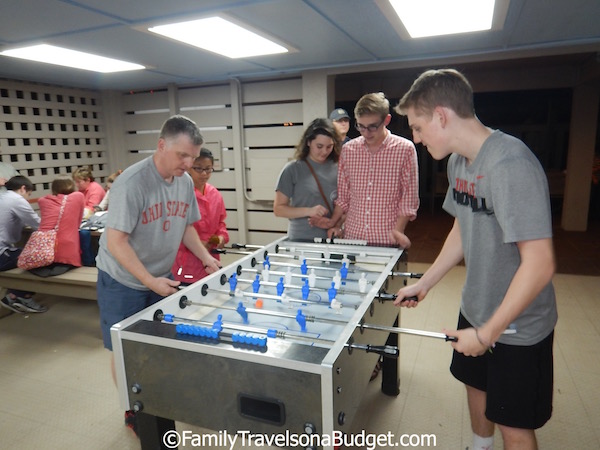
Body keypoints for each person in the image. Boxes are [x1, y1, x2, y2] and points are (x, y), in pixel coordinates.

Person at [393, 69, 557, 450]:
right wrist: (426, 282)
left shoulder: (510, 164)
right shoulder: (457, 163)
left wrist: (487, 334)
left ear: (441, 115)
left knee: (513, 424)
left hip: (517, 323)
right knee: (477, 385)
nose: (416, 138)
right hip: (476, 305)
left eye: (417, 127)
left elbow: (540, 263)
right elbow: (462, 230)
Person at [95, 114, 221, 434]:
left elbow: (186, 226)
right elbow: (116, 241)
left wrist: (206, 257)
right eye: (182, 155)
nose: (189, 162)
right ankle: (132, 409)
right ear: (161, 145)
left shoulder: (183, 182)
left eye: (193, 156)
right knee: (124, 349)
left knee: (157, 345)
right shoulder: (132, 183)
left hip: (159, 276)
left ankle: (157, 396)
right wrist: (149, 280)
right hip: (122, 280)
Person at [313, 92, 419, 248]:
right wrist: (332, 222)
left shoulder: (405, 149)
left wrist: (398, 231)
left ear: (386, 120)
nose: (366, 133)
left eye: (372, 127)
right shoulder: (348, 150)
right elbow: (344, 197)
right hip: (352, 237)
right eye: (361, 126)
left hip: (386, 238)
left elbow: (408, 199)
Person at [274, 118, 342, 241]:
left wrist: (337, 226)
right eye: (319, 146)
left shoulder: (339, 168)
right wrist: (309, 211)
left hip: (331, 239)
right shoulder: (293, 169)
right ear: (309, 142)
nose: (324, 152)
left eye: (329, 147)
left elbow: (345, 205)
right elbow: (279, 209)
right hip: (301, 239)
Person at [172, 148, 229, 284]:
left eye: (208, 169)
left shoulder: (214, 193)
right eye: (198, 169)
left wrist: (221, 237)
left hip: (211, 259)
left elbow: (221, 223)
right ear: (189, 168)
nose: (204, 174)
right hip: (186, 264)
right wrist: (196, 244)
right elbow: (174, 230)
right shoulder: (180, 194)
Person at [0, 176, 47, 313]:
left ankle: (14, 294)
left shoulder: (3, 198)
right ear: (23, 188)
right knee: (38, 257)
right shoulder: (16, 200)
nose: (27, 198)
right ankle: (21, 296)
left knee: (22, 253)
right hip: (1, 255)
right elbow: (38, 224)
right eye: (29, 194)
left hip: (3, 251)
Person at [31, 177, 85, 276]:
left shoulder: (43, 201)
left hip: (43, 248)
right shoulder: (78, 196)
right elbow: (79, 221)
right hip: (67, 250)